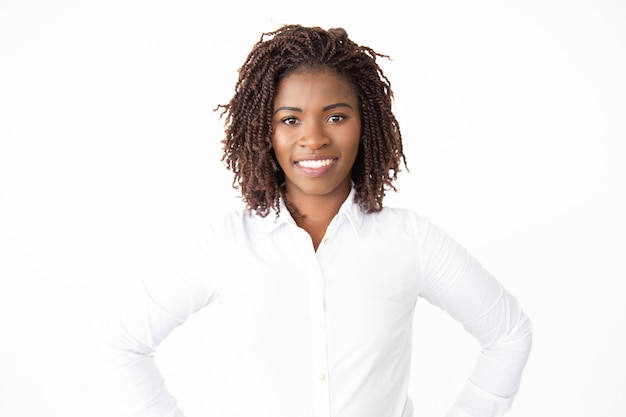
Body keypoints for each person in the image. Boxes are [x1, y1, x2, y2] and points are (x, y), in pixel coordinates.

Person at [102, 24, 532, 417]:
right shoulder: (227, 243)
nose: (314, 138)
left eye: (336, 116)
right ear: (263, 132)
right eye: (290, 119)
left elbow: (509, 334)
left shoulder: (409, 240)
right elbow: (125, 345)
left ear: (366, 125)